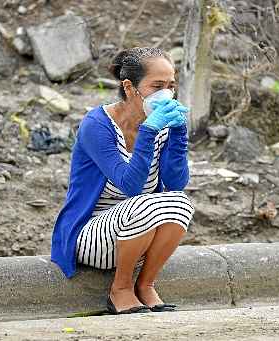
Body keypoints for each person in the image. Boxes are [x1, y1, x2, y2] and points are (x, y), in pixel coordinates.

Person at [51, 47, 195, 314]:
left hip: (141, 232)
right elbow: (131, 186)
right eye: (157, 86)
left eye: (171, 86)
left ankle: (145, 284)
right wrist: (148, 132)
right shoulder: (97, 125)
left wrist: (178, 134)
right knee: (144, 203)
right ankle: (120, 289)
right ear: (130, 87)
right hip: (92, 236)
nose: (166, 94)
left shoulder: (161, 123)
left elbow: (175, 184)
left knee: (181, 203)